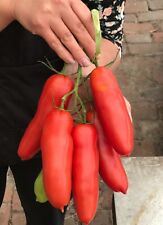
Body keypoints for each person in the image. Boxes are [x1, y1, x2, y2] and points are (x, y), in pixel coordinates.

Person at [0, 0, 125, 224]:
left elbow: (109, 31)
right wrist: (12, 6)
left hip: (54, 117)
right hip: (51, 112)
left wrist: (94, 73)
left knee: (48, 212)